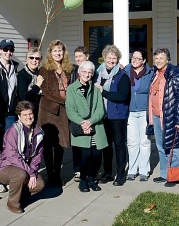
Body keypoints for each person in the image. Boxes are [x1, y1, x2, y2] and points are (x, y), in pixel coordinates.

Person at [148, 48, 179, 187]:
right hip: (156, 115)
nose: (158, 60)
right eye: (156, 58)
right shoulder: (154, 73)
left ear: (168, 59)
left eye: (161, 58)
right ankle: (164, 174)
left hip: (170, 116)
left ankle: (176, 175)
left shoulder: (174, 74)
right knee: (161, 146)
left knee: (173, 147)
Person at [0, 101, 45, 213]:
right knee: (20, 175)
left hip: (24, 167)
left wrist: (33, 172)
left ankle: (20, 197)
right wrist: (30, 172)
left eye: (30, 114)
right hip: (6, 167)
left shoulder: (38, 131)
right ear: (19, 117)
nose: (28, 117)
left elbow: (37, 157)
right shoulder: (13, 131)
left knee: (40, 184)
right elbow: (13, 156)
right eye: (25, 115)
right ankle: (13, 203)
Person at [66, 61, 107, 192]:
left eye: (90, 72)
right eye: (84, 71)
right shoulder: (71, 89)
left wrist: (90, 121)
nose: (87, 74)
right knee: (85, 156)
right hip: (81, 127)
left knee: (96, 156)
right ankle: (83, 180)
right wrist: (83, 123)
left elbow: (100, 110)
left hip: (96, 128)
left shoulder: (95, 89)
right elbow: (70, 110)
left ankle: (92, 179)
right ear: (79, 73)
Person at [37, 39, 73, 187]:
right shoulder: (44, 69)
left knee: (60, 143)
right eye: (55, 51)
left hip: (63, 112)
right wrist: (63, 100)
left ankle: (57, 174)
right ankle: (50, 174)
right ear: (50, 53)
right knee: (47, 144)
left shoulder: (69, 69)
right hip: (48, 111)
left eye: (60, 50)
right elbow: (45, 91)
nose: (58, 53)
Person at [95, 45, 131, 186]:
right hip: (102, 115)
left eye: (114, 58)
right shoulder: (98, 74)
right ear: (104, 58)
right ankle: (108, 173)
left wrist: (104, 92)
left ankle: (121, 174)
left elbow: (123, 96)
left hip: (117, 115)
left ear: (118, 60)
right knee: (106, 146)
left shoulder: (122, 75)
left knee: (119, 145)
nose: (111, 60)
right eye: (109, 58)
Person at [0, 39, 19, 193]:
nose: (8, 52)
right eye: (5, 49)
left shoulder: (15, 66)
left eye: (11, 50)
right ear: (0, 50)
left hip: (11, 114)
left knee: (9, 147)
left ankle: (7, 177)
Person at [124, 49, 154, 181]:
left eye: (138, 58)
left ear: (144, 61)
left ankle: (144, 170)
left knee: (145, 142)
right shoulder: (125, 71)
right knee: (132, 142)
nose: (134, 60)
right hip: (130, 111)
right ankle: (132, 169)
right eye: (133, 58)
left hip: (144, 112)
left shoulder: (150, 73)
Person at [70, 46, 90, 182]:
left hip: (88, 112)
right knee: (76, 142)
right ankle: (77, 169)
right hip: (75, 113)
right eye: (76, 56)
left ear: (86, 57)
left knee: (88, 143)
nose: (78, 59)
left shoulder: (92, 70)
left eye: (80, 56)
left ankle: (88, 169)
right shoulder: (72, 71)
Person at [17, 47, 44, 121]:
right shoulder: (22, 74)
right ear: (27, 59)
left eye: (37, 58)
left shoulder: (41, 74)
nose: (34, 60)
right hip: (27, 114)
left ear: (40, 60)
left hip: (40, 112)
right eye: (31, 58)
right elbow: (24, 97)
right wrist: (37, 86)